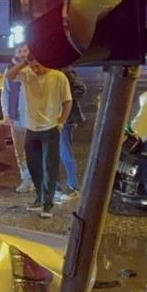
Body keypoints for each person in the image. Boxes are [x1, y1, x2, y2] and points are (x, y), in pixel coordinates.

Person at [7, 51, 73, 219]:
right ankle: (39, 198)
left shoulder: (58, 77)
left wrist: (61, 122)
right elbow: (10, 75)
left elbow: (68, 101)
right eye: (33, 66)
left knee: (49, 167)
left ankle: (47, 205)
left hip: (50, 129)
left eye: (38, 65)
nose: (35, 70)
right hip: (31, 128)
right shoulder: (27, 74)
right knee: (34, 166)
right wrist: (24, 63)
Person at [1, 45, 33, 193]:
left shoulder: (35, 68)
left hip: (34, 118)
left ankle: (35, 179)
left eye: (25, 51)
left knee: (34, 150)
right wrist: (6, 113)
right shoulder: (10, 70)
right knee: (20, 152)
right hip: (17, 117)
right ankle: (26, 178)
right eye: (19, 51)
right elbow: (5, 93)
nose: (22, 54)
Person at [56, 67, 88, 202]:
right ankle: (56, 187)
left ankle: (73, 187)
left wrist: (65, 98)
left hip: (65, 118)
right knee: (52, 154)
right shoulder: (44, 70)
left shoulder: (65, 70)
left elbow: (81, 89)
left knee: (64, 153)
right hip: (48, 118)